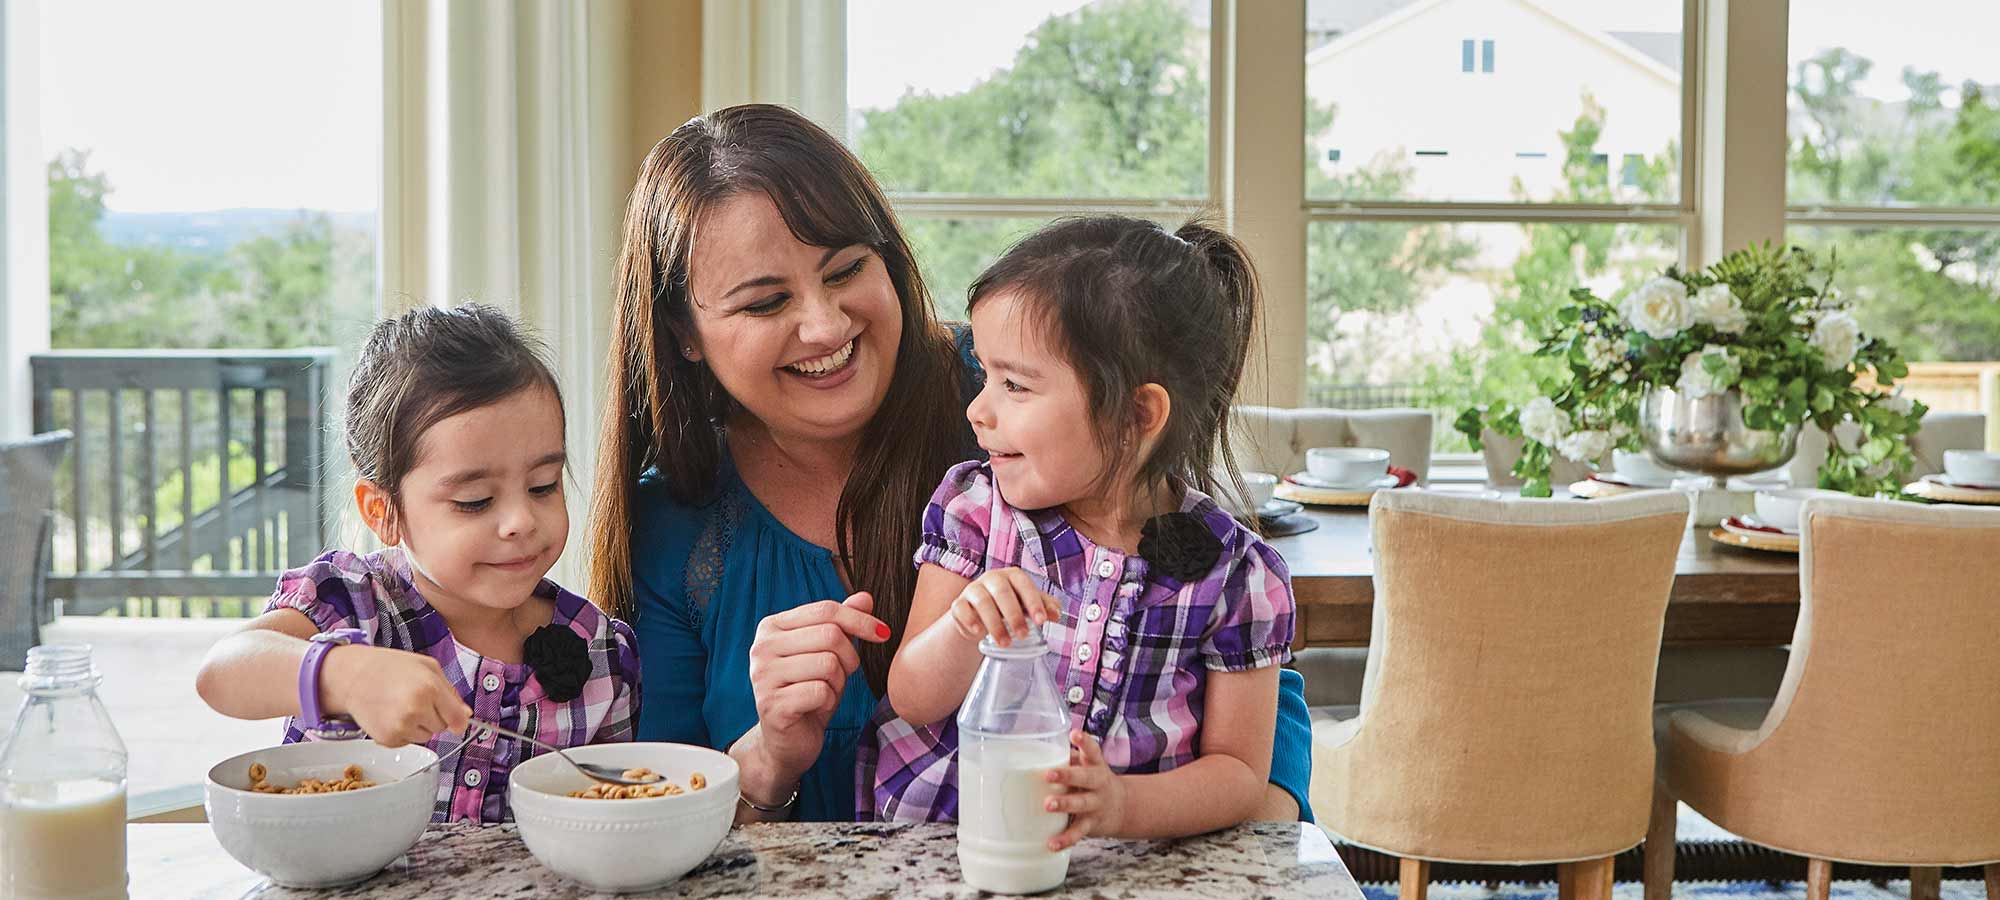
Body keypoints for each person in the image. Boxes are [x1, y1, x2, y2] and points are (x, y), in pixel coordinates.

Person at [588, 103, 1312, 824]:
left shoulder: (1018, 403)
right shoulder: (676, 525)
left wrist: (1188, 806)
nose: (826, 324)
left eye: (846, 270)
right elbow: (660, 822)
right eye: (767, 301)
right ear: (684, 332)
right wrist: (771, 758)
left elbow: (1262, 751)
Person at [866, 216, 1291, 850]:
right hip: (949, 848)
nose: (977, 410)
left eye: (1014, 385)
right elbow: (911, 698)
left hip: (1127, 868)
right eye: (984, 375)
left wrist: (1122, 804)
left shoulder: (1236, 576)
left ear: (1137, 415)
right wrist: (962, 626)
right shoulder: (975, 509)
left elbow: (1239, 775)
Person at [197, 303, 638, 824]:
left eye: (543, 486)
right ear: (383, 511)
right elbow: (222, 671)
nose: (521, 520)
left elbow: (616, 814)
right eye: (475, 500)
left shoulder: (600, 651)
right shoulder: (352, 606)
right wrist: (343, 674)